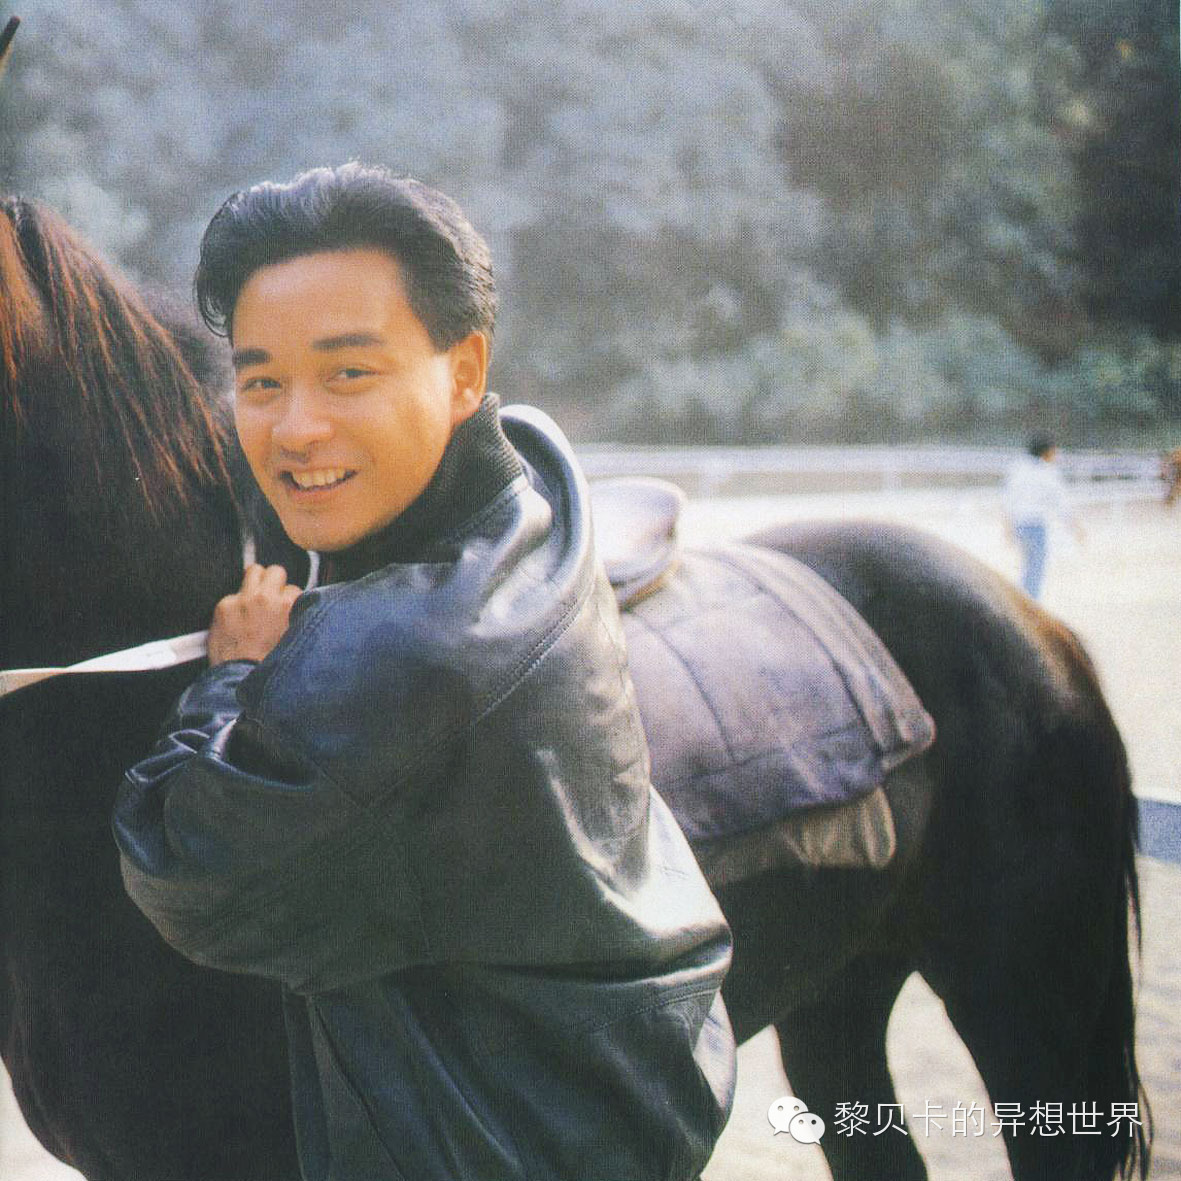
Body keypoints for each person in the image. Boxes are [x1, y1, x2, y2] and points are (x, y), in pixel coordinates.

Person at [113, 164, 735, 1181]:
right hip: (622, 1090)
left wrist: (233, 676)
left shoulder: (397, 657)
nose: (296, 426)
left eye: (348, 373)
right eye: (261, 382)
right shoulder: (531, 494)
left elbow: (173, 863)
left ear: (463, 368)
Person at [1002, 433, 1080, 599]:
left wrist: (1007, 527)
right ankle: (1029, 603)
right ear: (1045, 452)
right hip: (1036, 525)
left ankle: (1022, 599)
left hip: (1020, 524)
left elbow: (1008, 500)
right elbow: (1061, 503)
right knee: (1035, 569)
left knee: (1027, 566)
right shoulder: (1048, 472)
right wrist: (1074, 526)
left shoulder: (1018, 468)